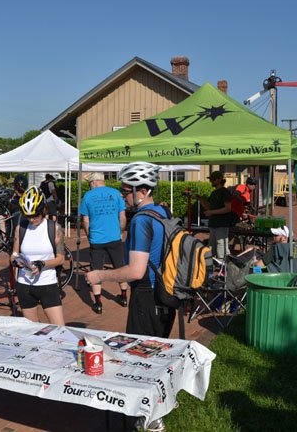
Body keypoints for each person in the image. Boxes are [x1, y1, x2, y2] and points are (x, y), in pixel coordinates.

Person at [84, 162, 171, 432]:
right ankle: (159, 408)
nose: (123, 196)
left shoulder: (141, 221)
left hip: (147, 296)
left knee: (142, 360)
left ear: (142, 190)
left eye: (126, 191)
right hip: (164, 294)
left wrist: (99, 276)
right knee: (156, 354)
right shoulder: (161, 212)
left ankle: (150, 419)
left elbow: (135, 270)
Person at [10, 186, 66, 325]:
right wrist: (16, 261)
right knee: (33, 331)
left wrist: (42, 264)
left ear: (43, 210)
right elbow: (14, 255)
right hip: (24, 285)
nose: (32, 220)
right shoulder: (20, 228)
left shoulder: (54, 228)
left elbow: (60, 258)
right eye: (28, 216)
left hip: (48, 284)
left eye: (35, 215)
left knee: (60, 329)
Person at [79, 172, 128, 314]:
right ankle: (124, 297)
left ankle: (98, 303)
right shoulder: (116, 193)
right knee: (120, 267)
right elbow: (122, 216)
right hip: (114, 237)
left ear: (94, 182)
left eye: (90, 183)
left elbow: (85, 220)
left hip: (97, 239)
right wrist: (121, 231)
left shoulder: (88, 196)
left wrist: (89, 235)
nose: (89, 186)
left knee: (96, 270)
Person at [199, 171, 233, 260]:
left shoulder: (225, 192)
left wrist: (212, 212)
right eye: (210, 180)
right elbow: (209, 207)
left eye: (213, 180)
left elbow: (228, 208)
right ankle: (212, 263)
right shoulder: (214, 193)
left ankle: (222, 264)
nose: (211, 182)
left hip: (222, 223)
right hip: (213, 223)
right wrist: (200, 199)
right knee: (212, 245)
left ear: (219, 180)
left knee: (221, 244)